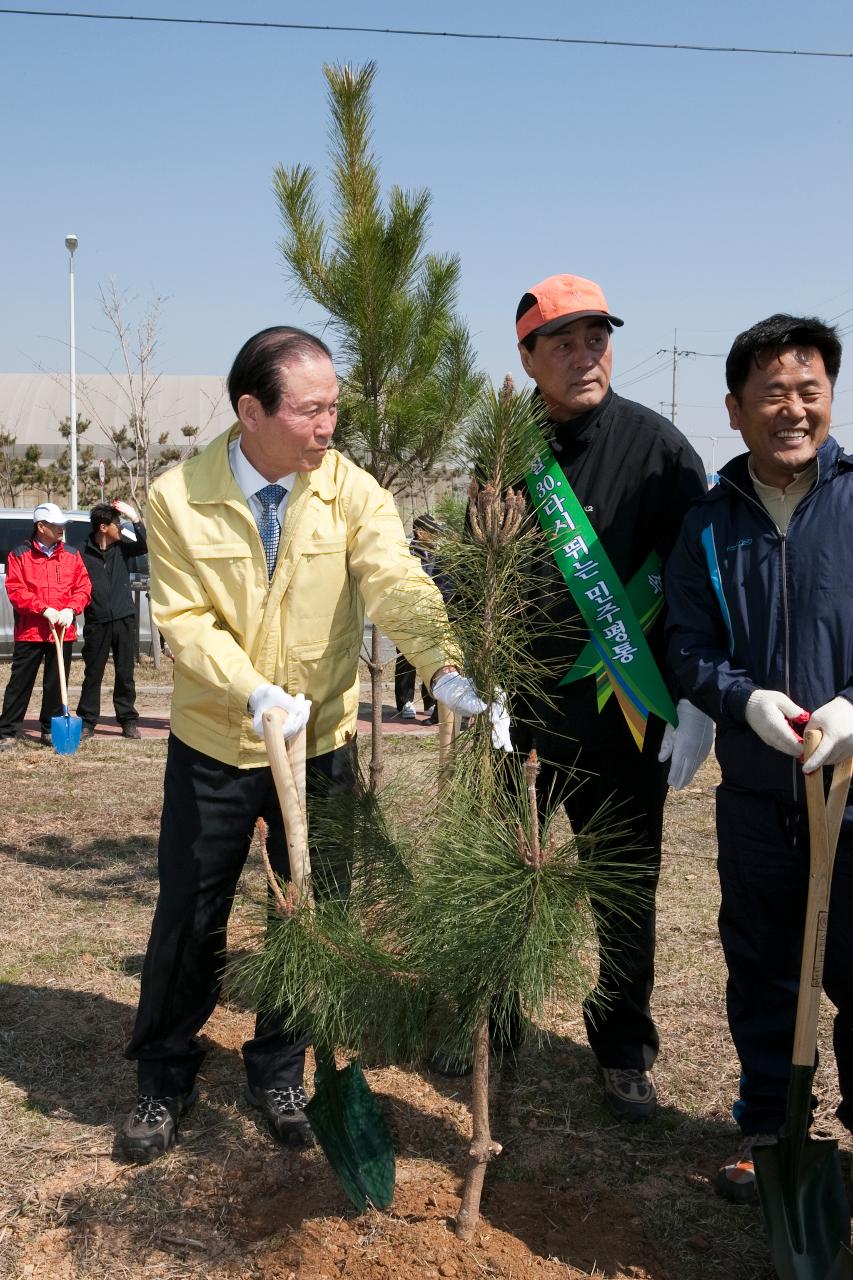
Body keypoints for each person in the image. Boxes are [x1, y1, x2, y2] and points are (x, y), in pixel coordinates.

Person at [121, 326, 500, 1163]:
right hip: (220, 739)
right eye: (312, 409)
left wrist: (438, 662)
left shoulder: (349, 489)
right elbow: (182, 619)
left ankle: (278, 1067)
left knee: (313, 915)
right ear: (251, 409)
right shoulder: (178, 496)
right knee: (191, 911)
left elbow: (394, 576)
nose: (329, 425)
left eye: (335, 407)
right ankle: (164, 1073)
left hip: (319, 740)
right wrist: (251, 691)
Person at [511, 274, 712, 1119]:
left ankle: (622, 1049)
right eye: (561, 341)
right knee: (503, 879)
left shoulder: (660, 450)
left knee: (624, 893)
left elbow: (700, 581)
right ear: (526, 357)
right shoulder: (503, 447)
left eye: (595, 337)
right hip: (515, 725)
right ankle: (489, 1021)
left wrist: (696, 694)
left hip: (624, 720)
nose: (583, 355)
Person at [665, 313, 853, 1204]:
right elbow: (686, 645)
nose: (793, 409)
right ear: (735, 409)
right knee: (764, 968)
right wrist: (740, 699)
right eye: (772, 393)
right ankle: (769, 1129)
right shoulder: (707, 522)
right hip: (755, 797)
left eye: (808, 391)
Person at [0, 503, 91, 750]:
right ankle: (8, 730)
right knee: (20, 682)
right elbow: (16, 590)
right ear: (41, 527)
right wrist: (42, 608)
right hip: (31, 630)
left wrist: (71, 609)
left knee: (55, 682)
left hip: (62, 630)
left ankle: (50, 729)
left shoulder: (71, 554)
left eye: (62, 525)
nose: (61, 529)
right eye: (56, 525)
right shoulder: (19, 554)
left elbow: (83, 587)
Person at [76, 500, 148, 740]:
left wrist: (136, 519)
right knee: (93, 673)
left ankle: (128, 720)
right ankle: (87, 722)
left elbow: (145, 543)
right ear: (104, 527)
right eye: (118, 523)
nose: (121, 527)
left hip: (124, 618)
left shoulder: (123, 547)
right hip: (97, 621)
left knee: (125, 672)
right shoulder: (82, 552)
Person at [395, 514, 450, 722]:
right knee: (407, 658)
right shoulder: (406, 555)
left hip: (434, 612)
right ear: (420, 533)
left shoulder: (441, 555)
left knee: (433, 656)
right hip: (410, 612)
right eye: (432, 532)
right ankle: (405, 700)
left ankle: (430, 700)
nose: (436, 536)